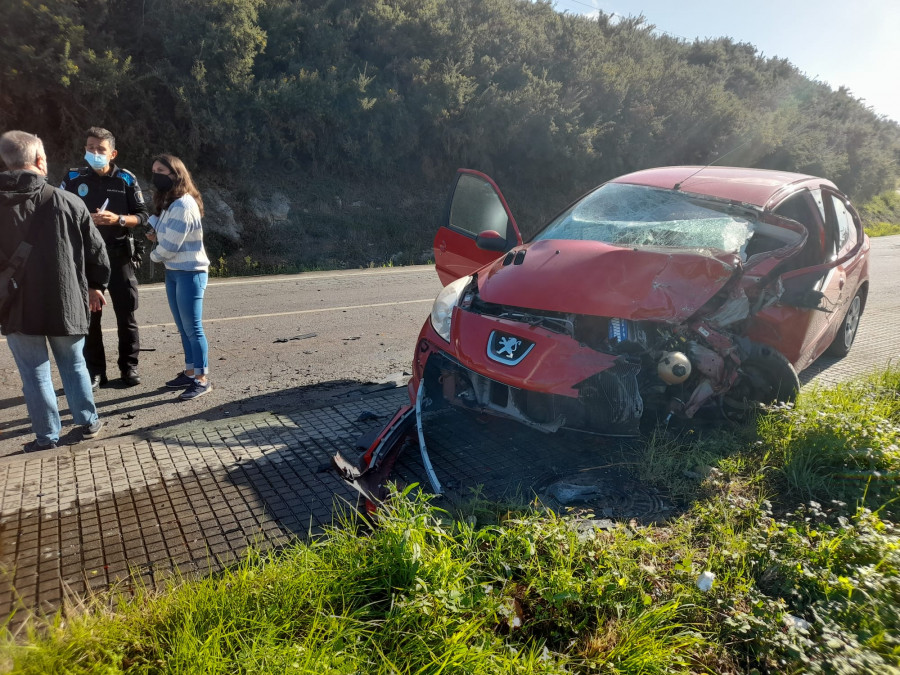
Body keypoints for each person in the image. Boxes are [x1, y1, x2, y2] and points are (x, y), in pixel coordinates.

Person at [0, 130, 110, 451]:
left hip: (17, 307)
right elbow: (97, 253)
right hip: (66, 302)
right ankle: (88, 422)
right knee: (75, 364)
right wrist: (97, 285)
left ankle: (47, 437)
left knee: (35, 375)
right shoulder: (69, 201)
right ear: (39, 160)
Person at [61, 127, 149, 388]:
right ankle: (96, 371)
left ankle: (129, 367)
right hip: (85, 260)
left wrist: (118, 219)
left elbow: (143, 215)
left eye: (101, 149)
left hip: (119, 255)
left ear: (113, 153)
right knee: (90, 319)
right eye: (90, 148)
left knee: (126, 315)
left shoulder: (126, 178)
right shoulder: (73, 178)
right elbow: (58, 213)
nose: (95, 153)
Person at [146, 154, 213, 400]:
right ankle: (189, 371)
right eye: (153, 170)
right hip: (174, 272)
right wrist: (155, 232)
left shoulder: (184, 205)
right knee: (183, 328)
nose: (156, 175)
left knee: (193, 328)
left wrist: (154, 256)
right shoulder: (170, 203)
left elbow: (170, 246)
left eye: (161, 171)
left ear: (175, 174)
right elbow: (165, 232)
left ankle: (202, 379)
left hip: (190, 272)